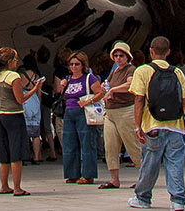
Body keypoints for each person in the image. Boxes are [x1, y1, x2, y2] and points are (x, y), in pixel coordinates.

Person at [128, 35, 185, 211]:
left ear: (151, 51)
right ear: (168, 52)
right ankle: (178, 200)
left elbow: (139, 100)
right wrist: (177, 117)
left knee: (150, 163)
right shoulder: (177, 72)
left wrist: (138, 126)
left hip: (152, 126)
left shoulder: (142, 71)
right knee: (175, 163)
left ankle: (143, 198)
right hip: (176, 126)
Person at [0, 47, 38, 196]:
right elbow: (20, 99)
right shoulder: (13, 76)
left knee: (4, 150)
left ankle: (4, 185)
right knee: (16, 150)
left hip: (2, 114)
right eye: (15, 59)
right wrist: (35, 89)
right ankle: (17, 187)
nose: (17, 62)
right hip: (14, 115)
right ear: (10, 61)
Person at [98, 41, 142, 190]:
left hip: (125, 110)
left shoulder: (131, 69)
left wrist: (113, 90)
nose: (118, 58)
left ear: (127, 56)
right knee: (110, 146)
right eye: (115, 55)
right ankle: (114, 179)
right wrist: (106, 87)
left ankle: (144, 176)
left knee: (132, 145)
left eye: (121, 55)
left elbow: (130, 85)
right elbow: (108, 84)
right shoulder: (115, 70)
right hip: (110, 112)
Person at [61, 51, 104, 183]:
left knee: (87, 143)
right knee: (69, 143)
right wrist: (62, 87)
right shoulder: (68, 79)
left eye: (77, 64)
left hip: (83, 111)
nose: (73, 67)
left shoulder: (89, 78)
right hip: (69, 111)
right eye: (71, 64)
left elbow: (100, 92)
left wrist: (88, 101)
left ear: (82, 65)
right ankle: (72, 173)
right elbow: (64, 96)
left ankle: (88, 174)